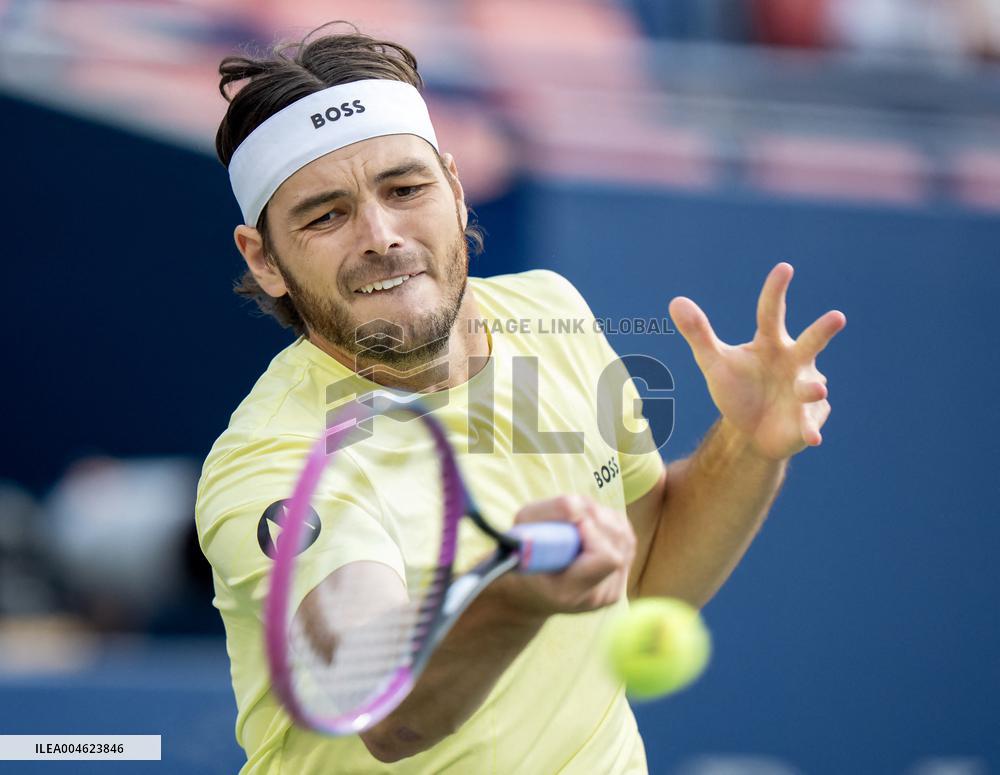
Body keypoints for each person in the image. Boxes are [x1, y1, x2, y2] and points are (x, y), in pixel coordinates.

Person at [196, 24, 845, 775]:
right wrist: (514, 593)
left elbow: (641, 582)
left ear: (454, 186)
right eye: (325, 215)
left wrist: (748, 441)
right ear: (264, 258)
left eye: (405, 189)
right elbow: (382, 706)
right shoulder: (271, 466)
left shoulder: (550, 309)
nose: (380, 235)